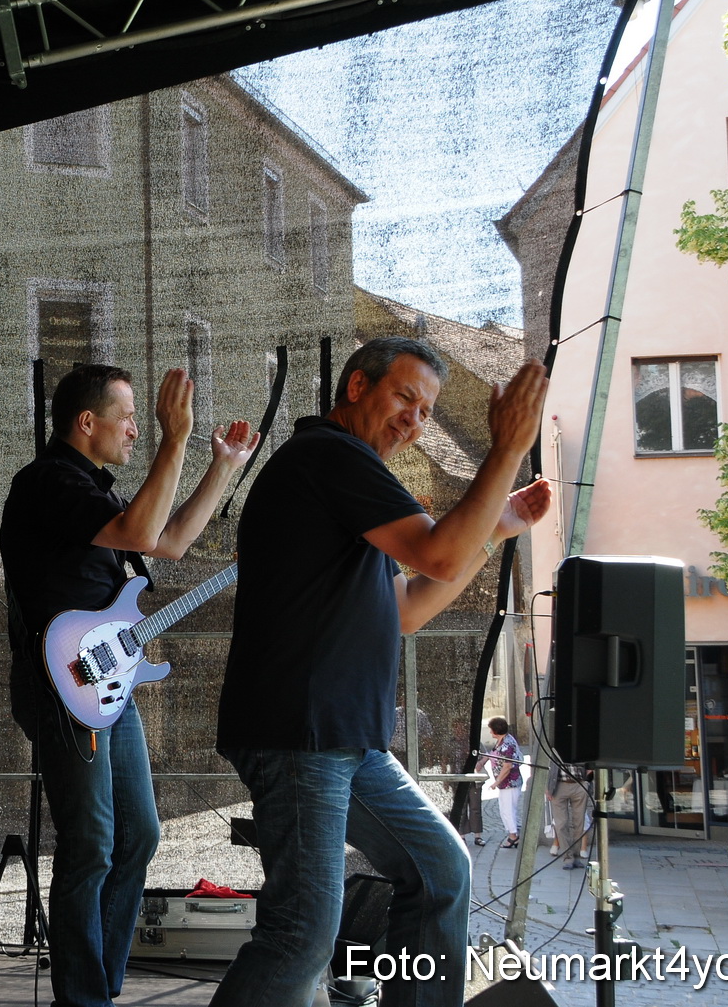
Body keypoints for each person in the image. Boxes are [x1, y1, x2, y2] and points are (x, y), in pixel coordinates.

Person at [211, 336, 549, 1007]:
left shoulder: (344, 489)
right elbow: (437, 555)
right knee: (300, 933)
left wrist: (493, 531)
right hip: (301, 733)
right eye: (404, 396)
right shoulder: (329, 454)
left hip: (339, 739)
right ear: (357, 387)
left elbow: (408, 606)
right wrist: (507, 447)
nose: (414, 419)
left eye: (425, 410)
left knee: (439, 872)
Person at [1, 364, 258, 1007]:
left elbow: (165, 541)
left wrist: (221, 466)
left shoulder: (93, 491)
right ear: (87, 422)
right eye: (128, 418)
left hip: (105, 686)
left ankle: (101, 987)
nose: (137, 431)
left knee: (138, 833)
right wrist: (176, 438)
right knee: (89, 844)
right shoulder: (48, 483)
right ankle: (83, 998)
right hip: (63, 687)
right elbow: (146, 531)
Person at [485, 716, 524, 848]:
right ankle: (513, 833)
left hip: (510, 782)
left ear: (496, 730)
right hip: (505, 783)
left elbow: (507, 766)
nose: (490, 732)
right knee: (504, 810)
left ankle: (514, 836)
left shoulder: (507, 744)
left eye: (491, 730)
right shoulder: (501, 741)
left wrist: (496, 782)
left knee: (508, 810)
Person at [549, 759, 592, 868]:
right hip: (559, 784)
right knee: (561, 824)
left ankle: (576, 857)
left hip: (579, 784)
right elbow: (545, 764)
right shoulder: (554, 744)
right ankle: (568, 857)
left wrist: (589, 775)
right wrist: (547, 787)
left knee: (579, 823)